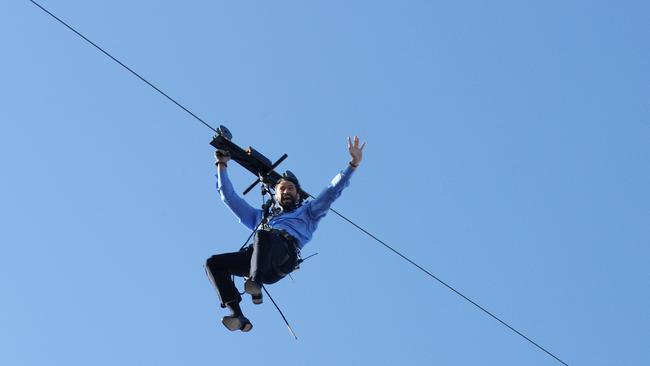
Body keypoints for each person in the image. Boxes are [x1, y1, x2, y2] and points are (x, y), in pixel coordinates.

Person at [205, 136, 366, 332]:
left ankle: (255, 284)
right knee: (213, 263)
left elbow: (331, 191)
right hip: (259, 259)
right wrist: (221, 164)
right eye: (282, 189)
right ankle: (237, 314)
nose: (287, 191)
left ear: (298, 195)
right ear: (276, 194)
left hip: (283, 258)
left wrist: (352, 165)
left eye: (291, 189)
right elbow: (229, 198)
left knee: (263, 235)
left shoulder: (309, 213)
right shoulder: (260, 217)